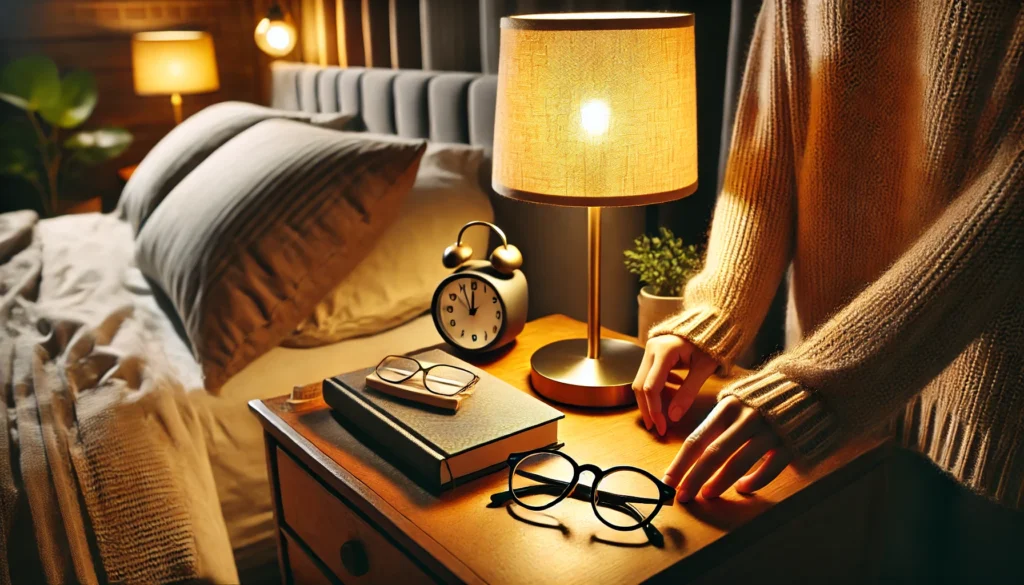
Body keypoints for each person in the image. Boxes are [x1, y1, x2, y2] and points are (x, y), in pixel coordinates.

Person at [632, 0, 1023, 513]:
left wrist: (830, 380)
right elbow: (770, 140)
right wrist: (717, 310)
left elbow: (1011, 205)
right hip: (815, 403)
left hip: (975, 396)